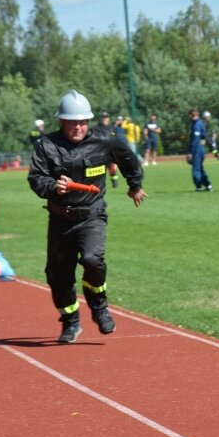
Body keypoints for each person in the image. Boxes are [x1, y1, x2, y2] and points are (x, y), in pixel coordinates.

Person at [27, 90, 147, 343]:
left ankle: (99, 307)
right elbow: (36, 178)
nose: (78, 127)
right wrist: (52, 187)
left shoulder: (106, 139)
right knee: (58, 277)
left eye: (82, 122)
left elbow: (127, 158)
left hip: (91, 217)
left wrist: (134, 185)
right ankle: (70, 321)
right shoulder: (46, 145)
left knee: (93, 260)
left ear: (89, 122)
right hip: (60, 220)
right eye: (72, 122)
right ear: (62, 121)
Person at [92, 111, 121, 188]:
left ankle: (114, 184)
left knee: (112, 170)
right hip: (99, 153)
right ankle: (97, 185)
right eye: (103, 117)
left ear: (109, 118)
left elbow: (116, 140)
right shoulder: (96, 128)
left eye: (106, 117)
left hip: (110, 153)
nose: (104, 119)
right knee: (99, 171)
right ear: (100, 118)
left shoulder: (112, 128)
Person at [187, 108, 212, 192]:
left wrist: (190, 152)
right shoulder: (199, 123)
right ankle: (208, 185)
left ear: (191, 115)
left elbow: (195, 140)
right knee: (200, 168)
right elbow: (204, 136)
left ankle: (199, 186)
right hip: (201, 149)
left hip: (197, 150)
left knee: (196, 169)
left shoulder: (196, 124)